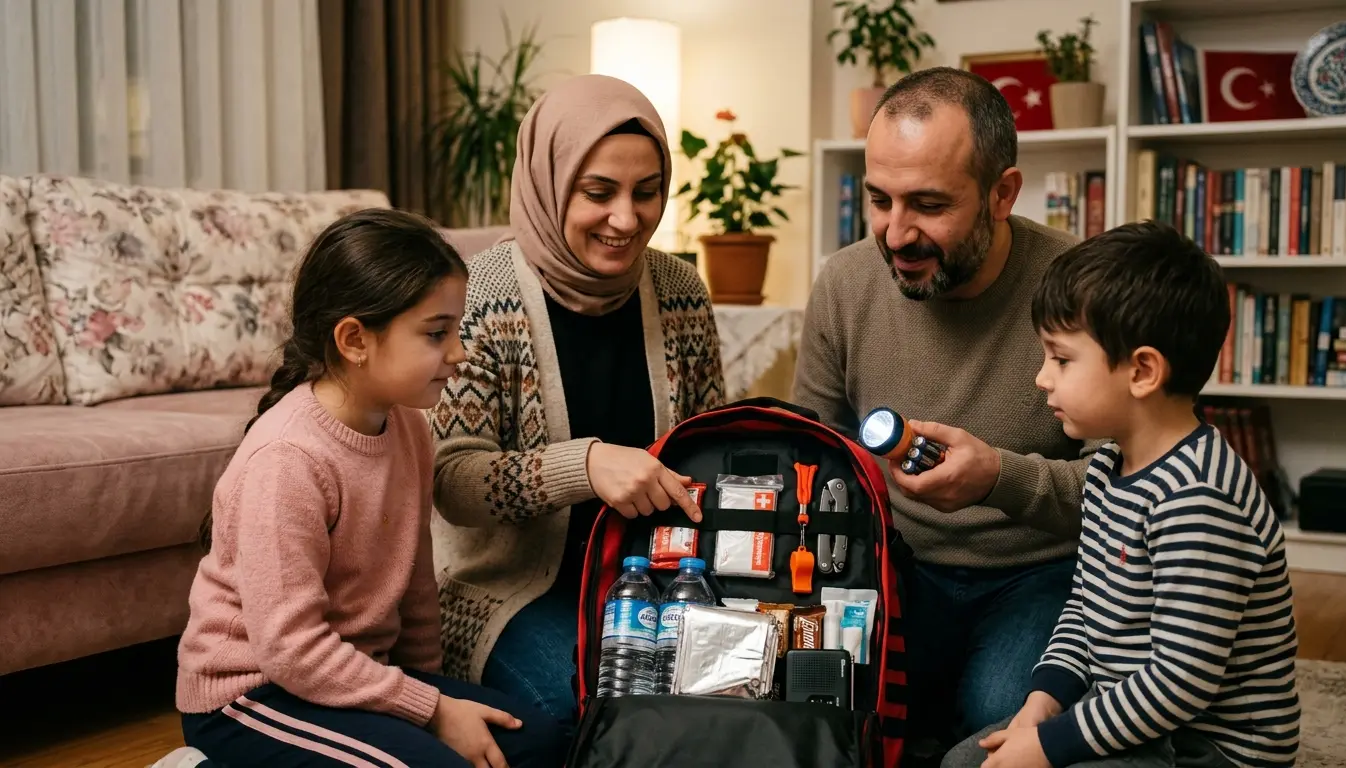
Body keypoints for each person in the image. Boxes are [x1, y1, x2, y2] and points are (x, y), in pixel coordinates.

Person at [170, 209, 562, 768]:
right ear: (355, 339)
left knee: (535, 742)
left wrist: (437, 694)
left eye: (457, 329)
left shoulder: (408, 429)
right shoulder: (287, 459)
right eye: (436, 333)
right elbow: (291, 651)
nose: (459, 352)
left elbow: (415, 590)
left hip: (353, 680)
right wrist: (430, 712)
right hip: (255, 697)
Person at [792, 66, 1102, 751]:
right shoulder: (845, 284)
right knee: (846, 714)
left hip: (1041, 571)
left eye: (928, 205)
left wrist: (998, 477)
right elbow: (808, 452)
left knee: (1001, 726)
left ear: (1002, 194)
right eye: (879, 200)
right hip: (889, 562)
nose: (896, 235)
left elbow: (1136, 491)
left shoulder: (1080, 286)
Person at [429, 73, 725, 739]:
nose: (627, 219)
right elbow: (452, 482)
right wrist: (583, 466)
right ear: (549, 182)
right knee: (590, 710)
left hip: (662, 580)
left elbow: (710, 444)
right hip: (510, 593)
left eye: (646, 193)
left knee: (733, 692)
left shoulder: (678, 289)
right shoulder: (483, 293)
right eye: (598, 193)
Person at [942, 220, 1300, 768]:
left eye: (1061, 359)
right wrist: (1040, 706)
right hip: (1129, 712)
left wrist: (1050, 745)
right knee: (966, 761)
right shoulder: (1108, 466)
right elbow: (1085, 606)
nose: (1043, 378)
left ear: (1142, 371)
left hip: (1206, 747)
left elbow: (1181, 682)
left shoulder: (1198, 499)